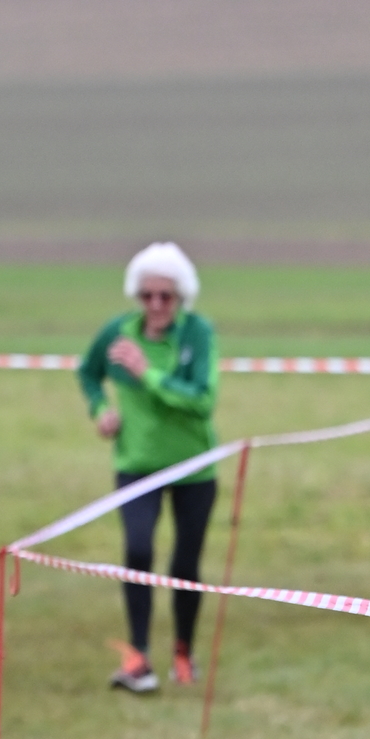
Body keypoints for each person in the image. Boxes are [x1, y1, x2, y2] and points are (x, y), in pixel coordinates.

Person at [77, 243, 220, 694]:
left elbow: (201, 401)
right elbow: (87, 372)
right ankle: (139, 657)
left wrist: (148, 375)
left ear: (181, 297)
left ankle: (183, 652)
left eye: (166, 296)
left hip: (194, 467)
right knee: (138, 552)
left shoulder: (197, 334)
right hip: (136, 465)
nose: (156, 305)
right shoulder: (118, 333)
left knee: (185, 563)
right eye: (147, 296)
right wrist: (101, 409)